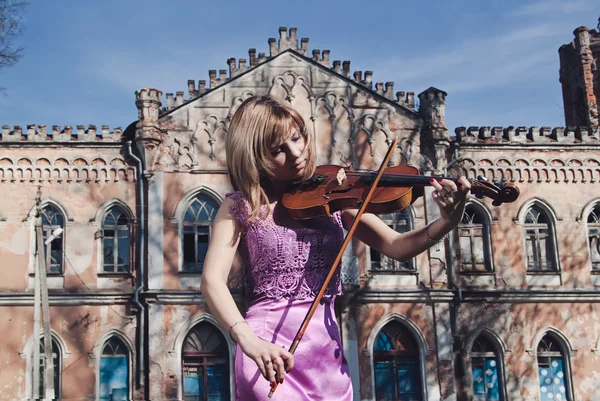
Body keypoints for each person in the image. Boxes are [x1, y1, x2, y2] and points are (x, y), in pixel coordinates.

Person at [200, 95, 471, 400]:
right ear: (255, 158)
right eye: (279, 150)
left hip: (327, 361)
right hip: (267, 354)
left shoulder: (331, 195)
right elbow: (212, 281)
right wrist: (247, 340)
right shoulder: (240, 206)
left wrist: (447, 221)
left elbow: (396, 245)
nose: (296, 153)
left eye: (297, 137)